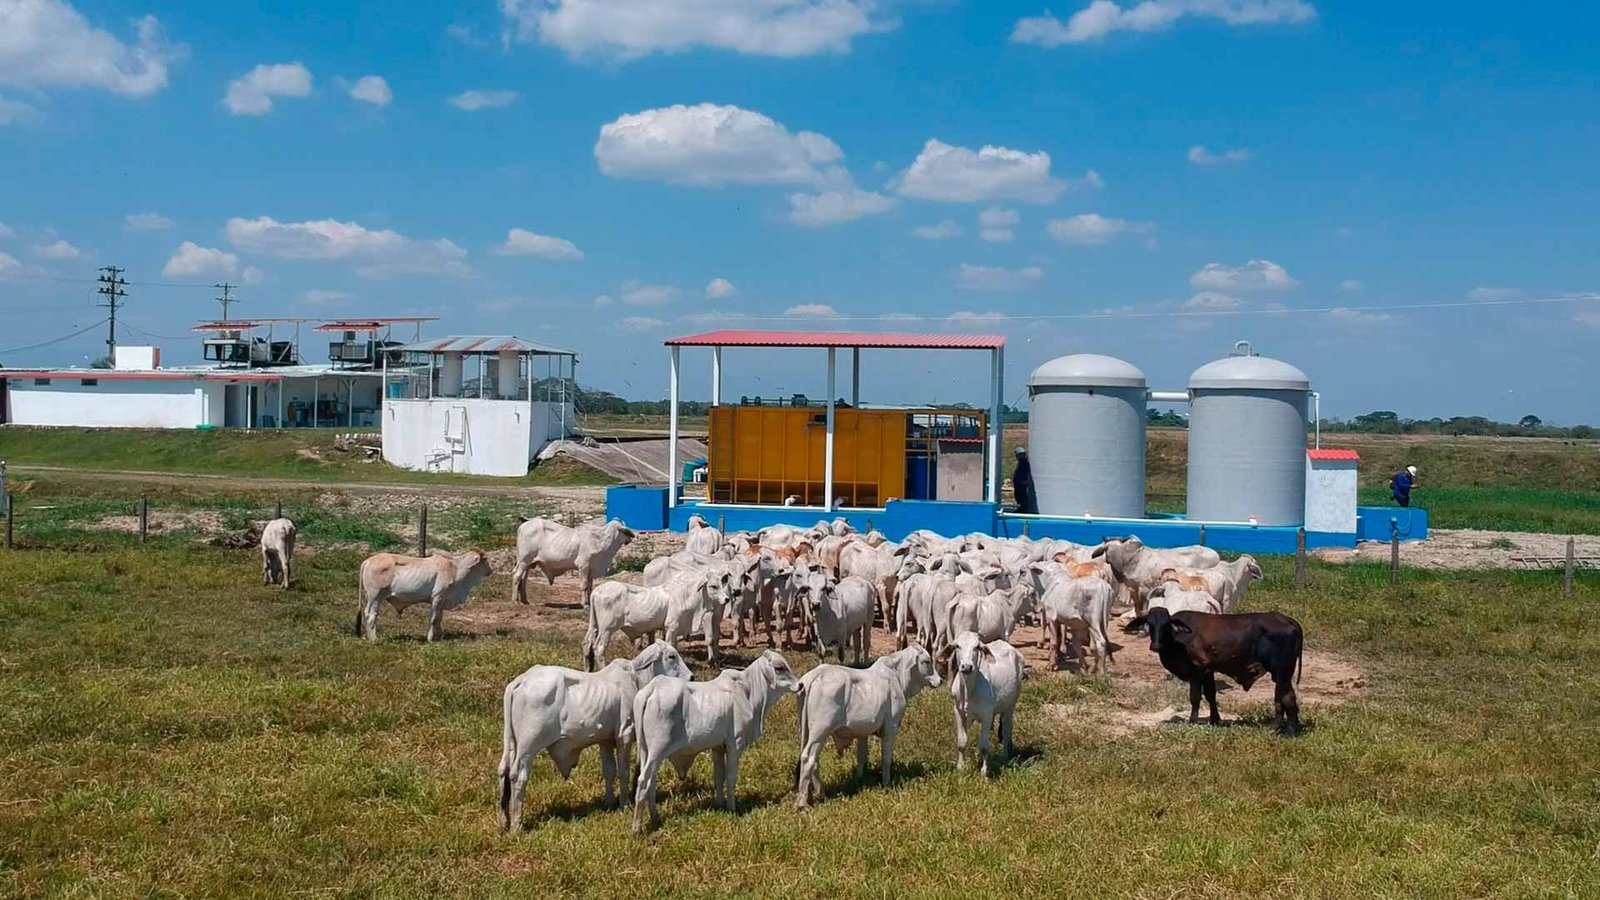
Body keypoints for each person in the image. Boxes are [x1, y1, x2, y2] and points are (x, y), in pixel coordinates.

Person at [1012, 446, 1038, 514]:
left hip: (1022, 486)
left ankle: (1023, 511)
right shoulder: (1021, 463)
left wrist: (1026, 482)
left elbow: (1028, 474)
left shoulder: (1025, 463)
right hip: (1019, 485)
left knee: (1023, 501)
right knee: (1020, 500)